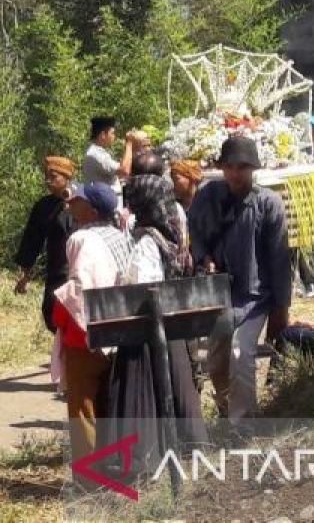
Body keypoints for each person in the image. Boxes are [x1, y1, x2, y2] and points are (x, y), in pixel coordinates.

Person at [102, 175, 204, 474]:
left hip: (147, 333)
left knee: (142, 392)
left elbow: (144, 287)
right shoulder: (173, 234)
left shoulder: (148, 241)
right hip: (173, 328)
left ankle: (143, 458)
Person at [189, 137, 290, 422]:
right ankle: (225, 411)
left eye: (242, 167)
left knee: (241, 352)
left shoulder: (268, 203)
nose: (235, 173)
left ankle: (244, 421)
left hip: (255, 296)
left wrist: (281, 307)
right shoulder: (208, 195)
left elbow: (280, 258)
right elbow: (196, 234)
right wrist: (204, 258)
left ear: (253, 168)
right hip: (219, 294)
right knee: (216, 361)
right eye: (230, 166)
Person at [50, 182, 128, 483]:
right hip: (118, 330)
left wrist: (62, 308)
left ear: (92, 211)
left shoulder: (82, 238)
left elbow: (81, 287)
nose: (71, 203)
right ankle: (110, 465)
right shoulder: (120, 236)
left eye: (78, 200)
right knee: (107, 399)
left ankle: (88, 476)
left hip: (86, 332)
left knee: (82, 404)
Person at [14, 157, 76, 332]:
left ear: (67, 178)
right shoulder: (44, 206)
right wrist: (25, 275)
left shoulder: (81, 202)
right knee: (50, 312)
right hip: (56, 270)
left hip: (78, 270)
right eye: (46, 176)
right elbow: (32, 240)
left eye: (54, 176)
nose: (48, 181)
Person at [81, 116, 143, 190]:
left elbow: (121, 171)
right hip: (103, 201)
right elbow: (124, 171)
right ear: (103, 135)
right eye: (112, 133)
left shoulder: (99, 152)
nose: (114, 136)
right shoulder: (95, 154)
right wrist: (129, 143)